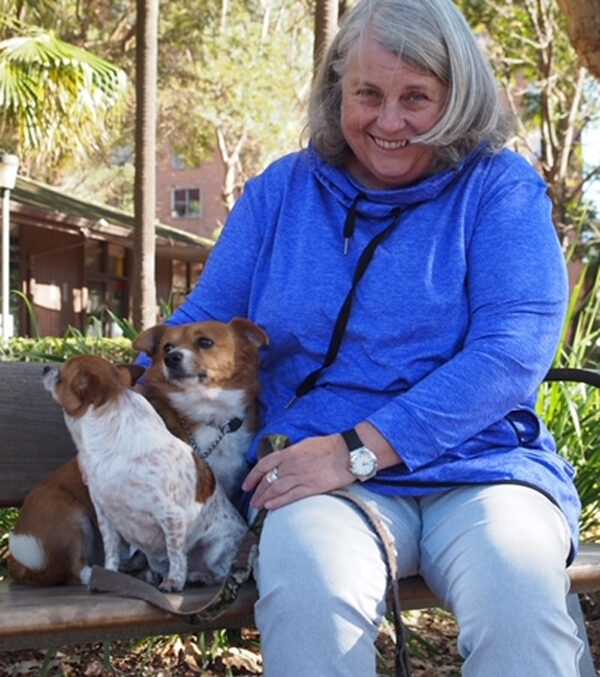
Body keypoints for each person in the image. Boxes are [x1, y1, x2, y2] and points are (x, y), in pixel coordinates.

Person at [160, 0, 583, 673]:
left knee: (520, 597)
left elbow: (510, 355)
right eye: (368, 94)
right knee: (309, 590)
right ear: (337, 93)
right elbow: (201, 319)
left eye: (417, 97)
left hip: (482, 471)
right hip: (315, 481)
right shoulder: (280, 193)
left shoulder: (499, 188)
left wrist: (356, 449)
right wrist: (119, 391)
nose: (389, 122)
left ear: (459, 97)